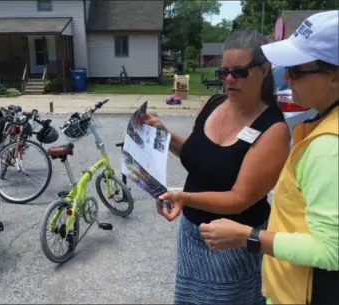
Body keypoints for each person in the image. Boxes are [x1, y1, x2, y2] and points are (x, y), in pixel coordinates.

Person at [198, 10, 339, 305]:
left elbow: (330, 251)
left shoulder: (328, 146)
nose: (286, 76)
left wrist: (247, 236)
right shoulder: (323, 124)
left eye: (298, 69)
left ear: (334, 76)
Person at [144, 29, 290, 305]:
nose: (229, 80)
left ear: (264, 70)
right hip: (193, 236)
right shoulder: (215, 103)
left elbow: (239, 199)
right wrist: (162, 134)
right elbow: (198, 155)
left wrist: (184, 198)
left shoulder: (273, 128)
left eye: (239, 72)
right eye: (224, 73)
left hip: (232, 246)